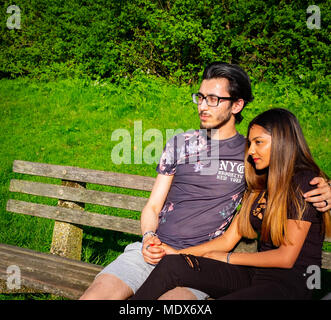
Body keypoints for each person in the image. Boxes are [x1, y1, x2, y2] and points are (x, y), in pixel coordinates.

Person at [80, 63, 331, 300]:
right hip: (151, 251)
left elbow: (292, 172)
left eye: (213, 99)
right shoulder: (179, 144)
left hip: (200, 262)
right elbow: (153, 206)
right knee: (95, 296)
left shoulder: (252, 155)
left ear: (236, 105)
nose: (202, 106)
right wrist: (148, 238)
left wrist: (327, 189)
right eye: (199, 97)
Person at [131, 108, 331, 300]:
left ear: (283, 142)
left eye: (259, 142)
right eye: (250, 143)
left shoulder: (305, 182)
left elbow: (286, 258)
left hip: (291, 283)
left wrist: (225, 258)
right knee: (172, 266)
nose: (251, 151)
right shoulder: (261, 183)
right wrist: (177, 255)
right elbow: (228, 240)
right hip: (255, 275)